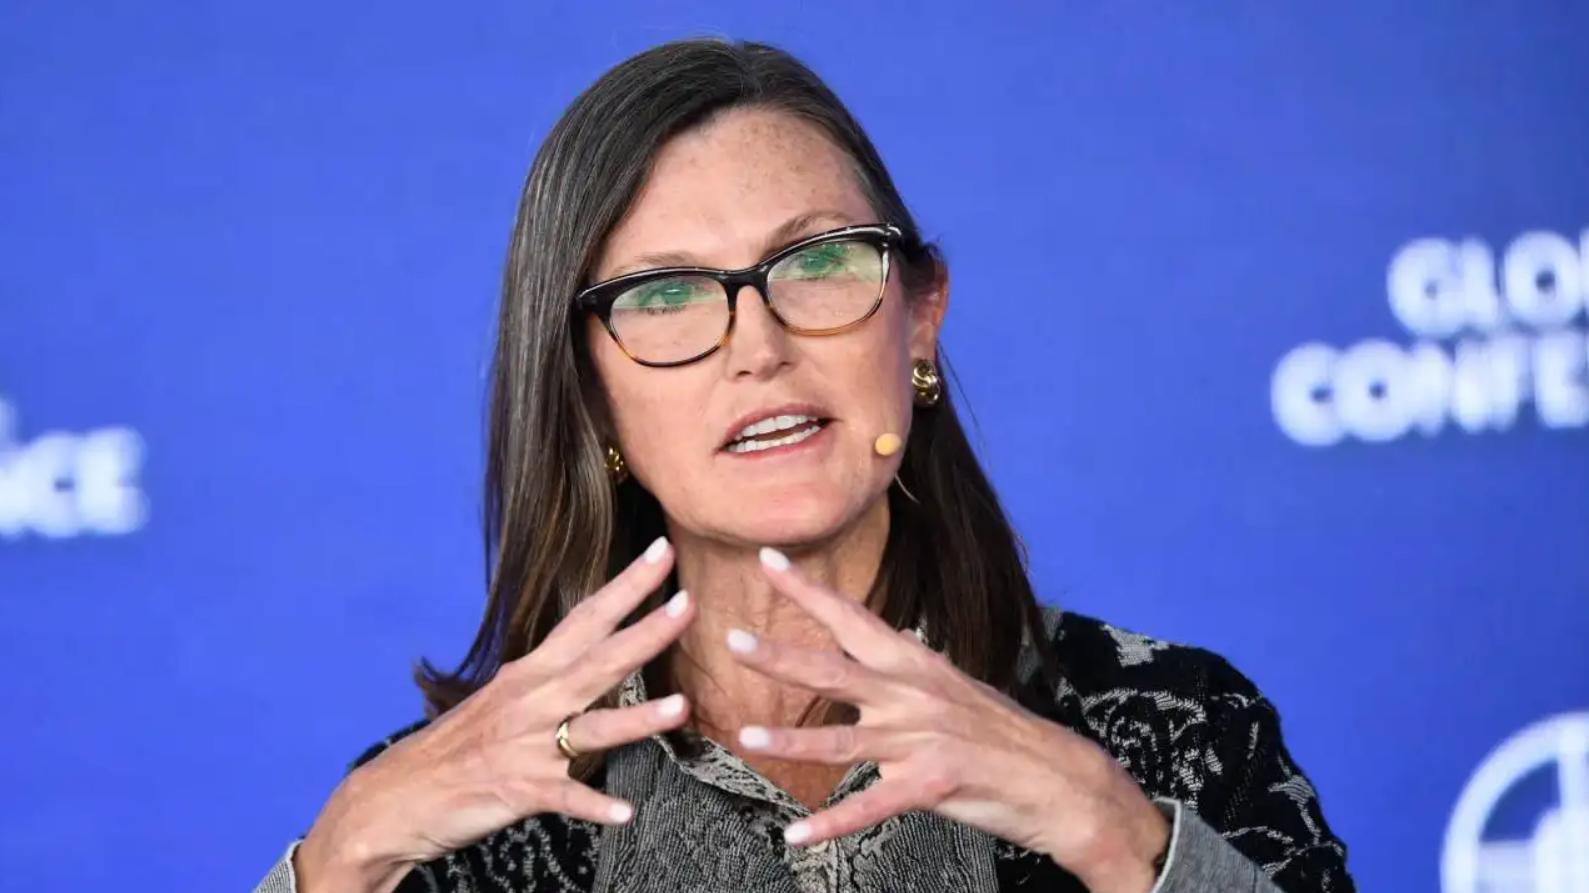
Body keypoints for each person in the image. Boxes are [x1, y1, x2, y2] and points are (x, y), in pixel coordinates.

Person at [252, 37, 1354, 893]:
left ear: (919, 317)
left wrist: (1118, 838)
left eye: (817, 261)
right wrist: (342, 856)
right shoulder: (471, 819)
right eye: (666, 293)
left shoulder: (1169, 729)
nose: (759, 346)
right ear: (587, 392)